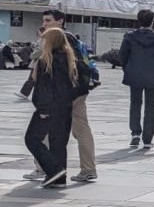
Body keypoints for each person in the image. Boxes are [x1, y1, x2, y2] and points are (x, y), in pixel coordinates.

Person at [35, 10, 98, 183]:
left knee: (53, 129)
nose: (44, 23)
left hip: (68, 93)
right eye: (43, 20)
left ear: (60, 21)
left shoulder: (62, 38)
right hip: (77, 90)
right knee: (78, 129)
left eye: (48, 20)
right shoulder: (66, 38)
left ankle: (45, 168)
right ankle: (87, 169)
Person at [24, 27, 89, 187]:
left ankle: (54, 170)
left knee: (31, 139)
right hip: (65, 107)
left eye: (43, 39)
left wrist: (43, 109)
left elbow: (43, 88)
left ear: (50, 41)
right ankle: (59, 179)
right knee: (58, 143)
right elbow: (79, 86)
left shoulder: (46, 61)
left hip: (48, 108)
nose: (41, 42)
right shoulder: (70, 59)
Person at [118, 9, 154, 150]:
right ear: (152, 21)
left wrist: (128, 69)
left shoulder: (129, 37)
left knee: (135, 103)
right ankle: (148, 139)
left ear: (138, 21)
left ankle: (135, 133)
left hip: (135, 76)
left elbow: (121, 57)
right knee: (150, 107)